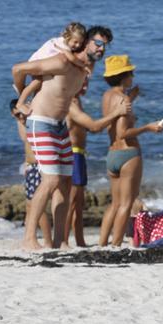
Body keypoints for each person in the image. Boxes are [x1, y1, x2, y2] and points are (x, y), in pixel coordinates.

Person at [11, 31, 108, 250]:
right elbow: (18, 69)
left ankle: (59, 242)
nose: (102, 48)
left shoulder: (83, 70)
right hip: (40, 122)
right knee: (51, 180)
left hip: (60, 126)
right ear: (84, 43)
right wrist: (20, 100)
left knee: (65, 183)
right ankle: (28, 239)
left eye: (105, 46)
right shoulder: (61, 61)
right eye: (99, 43)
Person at [98, 54, 163, 247]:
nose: (133, 77)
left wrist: (131, 97)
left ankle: (103, 243)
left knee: (115, 203)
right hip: (128, 154)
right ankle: (116, 245)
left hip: (112, 154)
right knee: (126, 205)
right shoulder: (123, 100)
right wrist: (148, 127)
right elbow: (123, 132)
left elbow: (117, 116)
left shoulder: (108, 96)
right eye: (131, 73)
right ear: (124, 76)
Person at [62, 76, 129, 248]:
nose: (85, 85)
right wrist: (116, 112)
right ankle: (62, 241)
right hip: (72, 154)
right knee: (71, 201)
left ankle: (80, 241)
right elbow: (94, 126)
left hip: (80, 154)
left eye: (86, 82)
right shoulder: (70, 102)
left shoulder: (78, 101)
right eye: (81, 82)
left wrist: (128, 99)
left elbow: (90, 128)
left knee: (78, 203)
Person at [10, 99, 53, 244]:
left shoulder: (31, 121)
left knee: (36, 206)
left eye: (22, 115)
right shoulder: (23, 123)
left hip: (38, 166)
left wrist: (24, 105)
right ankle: (29, 238)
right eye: (17, 116)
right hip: (30, 167)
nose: (21, 118)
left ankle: (48, 241)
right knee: (30, 206)